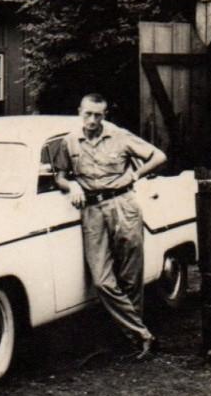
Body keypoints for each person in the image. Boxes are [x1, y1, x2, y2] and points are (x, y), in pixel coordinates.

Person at [54, 93, 167, 361]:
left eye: (98, 115)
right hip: (92, 210)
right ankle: (143, 335)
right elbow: (59, 175)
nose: (92, 120)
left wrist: (135, 174)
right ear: (79, 112)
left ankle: (129, 342)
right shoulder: (68, 142)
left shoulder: (120, 136)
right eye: (87, 114)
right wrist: (72, 185)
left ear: (105, 115)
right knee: (102, 280)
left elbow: (158, 156)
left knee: (130, 275)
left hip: (123, 204)